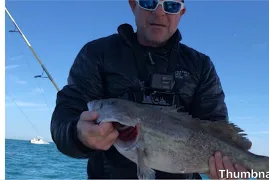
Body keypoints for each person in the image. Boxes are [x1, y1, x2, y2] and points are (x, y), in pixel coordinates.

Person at [50, 0, 251, 179]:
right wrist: (77, 134)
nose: (159, 13)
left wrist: (225, 171)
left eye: (171, 5)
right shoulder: (97, 53)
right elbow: (65, 116)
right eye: (149, 2)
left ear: (181, 13)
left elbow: (217, 128)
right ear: (133, 5)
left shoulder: (201, 66)